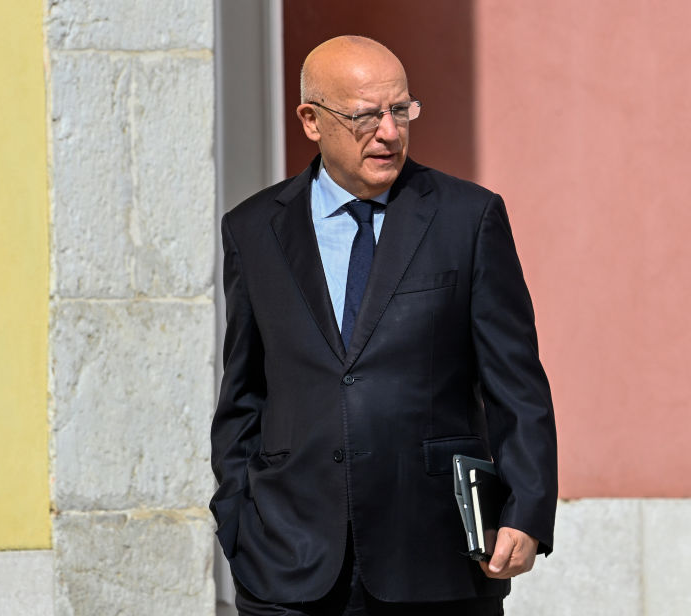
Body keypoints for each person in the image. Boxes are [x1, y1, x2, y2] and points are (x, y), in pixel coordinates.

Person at [210, 35, 557, 616]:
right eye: (367, 115)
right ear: (311, 121)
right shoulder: (252, 230)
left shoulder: (468, 218)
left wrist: (526, 509)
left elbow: (516, 383)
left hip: (436, 561)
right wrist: (239, 524)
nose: (390, 132)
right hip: (287, 566)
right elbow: (244, 394)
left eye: (401, 110)